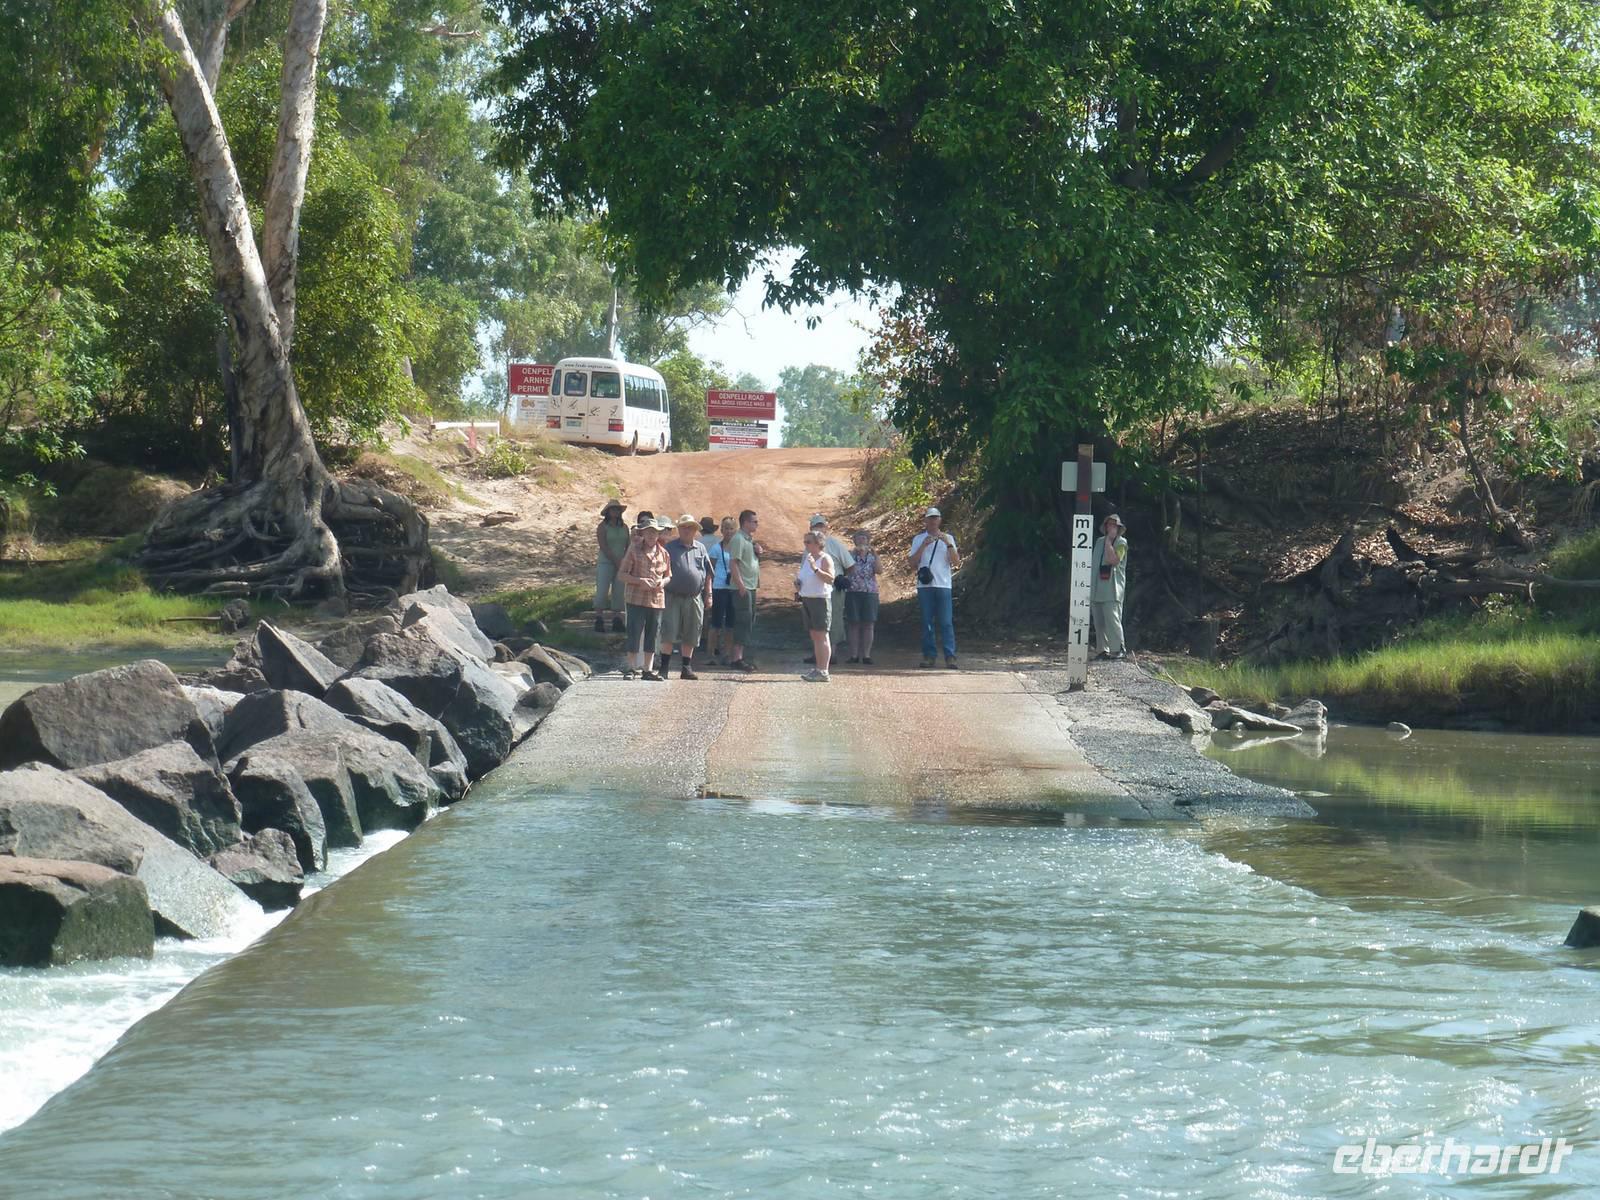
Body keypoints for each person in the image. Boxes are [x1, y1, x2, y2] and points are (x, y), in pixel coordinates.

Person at [657, 513, 714, 680]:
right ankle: (664, 668)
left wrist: (709, 594)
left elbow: (708, 573)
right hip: (672, 596)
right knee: (669, 630)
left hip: (694, 596)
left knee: (692, 631)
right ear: (679, 529)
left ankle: (686, 667)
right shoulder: (669, 548)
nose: (687, 530)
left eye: (690, 527)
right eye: (683, 527)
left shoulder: (701, 548)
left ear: (696, 530)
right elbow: (661, 572)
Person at [618, 515, 671, 680]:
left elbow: (669, 575)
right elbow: (622, 575)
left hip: (656, 600)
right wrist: (640, 581)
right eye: (649, 532)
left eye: (655, 533)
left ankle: (647, 670)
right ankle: (632, 668)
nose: (652, 536)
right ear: (643, 533)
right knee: (634, 632)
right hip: (635, 598)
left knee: (652, 634)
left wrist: (662, 582)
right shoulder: (633, 550)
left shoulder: (664, 553)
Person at [908, 506, 960, 669]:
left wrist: (948, 544)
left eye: (935, 518)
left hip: (943, 584)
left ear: (940, 520)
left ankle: (950, 656)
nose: (932, 521)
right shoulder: (918, 539)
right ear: (925, 521)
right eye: (930, 518)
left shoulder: (948, 538)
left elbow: (956, 562)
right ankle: (929, 655)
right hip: (925, 586)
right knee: (927, 622)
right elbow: (912, 562)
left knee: (946, 622)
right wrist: (923, 545)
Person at [804, 514, 854, 661]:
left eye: (821, 526)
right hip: (813, 590)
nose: (819, 529)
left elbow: (850, 565)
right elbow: (804, 567)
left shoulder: (834, 544)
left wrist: (842, 578)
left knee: (834, 619)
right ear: (811, 528)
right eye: (816, 526)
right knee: (815, 621)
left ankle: (831, 654)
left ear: (826, 527)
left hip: (832, 588)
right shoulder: (808, 546)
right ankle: (818, 654)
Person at [724, 509, 762, 673]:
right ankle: (736, 658)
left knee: (748, 621)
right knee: (742, 621)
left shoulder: (748, 539)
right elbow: (733, 563)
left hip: (750, 586)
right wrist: (740, 586)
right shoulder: (739, 539)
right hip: (743, 587)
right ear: (745, 522)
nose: (756, 524)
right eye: (754, 521)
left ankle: (739, 657)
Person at [795, 530, 835, 682]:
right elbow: (804, 578)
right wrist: (798, 584)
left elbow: (830, 579)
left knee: (822, 635)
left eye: (808, 542)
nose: (805, 545)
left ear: (818, 544)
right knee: (814, 635)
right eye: (804, 541)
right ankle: (819, 668)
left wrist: (815, 568)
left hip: (820, 600)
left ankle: (823, 671)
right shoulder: (807, 558)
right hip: (807, 599)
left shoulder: (825, 559)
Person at [1091, 512, 1130, 660]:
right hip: (1096, 588)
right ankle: (1102, 650)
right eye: (1109, 524)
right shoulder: (1099, 541)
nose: (1111, 527)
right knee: (1099, 621)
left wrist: (1109, 542)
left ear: (1119, 527)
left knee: (1112, 619)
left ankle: (1118, 648)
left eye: (1114, 525)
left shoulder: (1121, 543)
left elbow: (1113, 560)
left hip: (1112, 589)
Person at [843, 529, 880, 665]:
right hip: (853, 591)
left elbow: (879, 571)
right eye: (859, 538)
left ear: (868, 541)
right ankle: (853, 655)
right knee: (853, 623)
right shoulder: (849, 555)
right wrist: (854, 556)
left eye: (864, 538)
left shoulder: (872, 556)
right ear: (854, 541)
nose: (861, 541)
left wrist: (875, 555)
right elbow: (846, 571)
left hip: (870, 591)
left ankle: (866, 655)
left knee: (869, 624)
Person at [705, 516, 738, 663]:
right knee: (716, 623)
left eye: (731, 528)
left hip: (733, 588)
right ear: (722, 530)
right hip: (719, 588)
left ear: (735, 530)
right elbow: (710, 570)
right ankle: (711, 655)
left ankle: (728, 654)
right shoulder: (715, 548)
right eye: (726, 528)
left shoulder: (738, 547)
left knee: (731, 623)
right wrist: (709, 590)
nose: (729, 531)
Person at [594, 501, 630, 633]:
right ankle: (599, 618)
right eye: (613, 509)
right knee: (602, 590)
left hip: (622, 562)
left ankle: (617, 618)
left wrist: (625, 560)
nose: (615, 512)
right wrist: (616, 560)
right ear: (608, 512)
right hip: (606, 562)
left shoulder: (624, 527)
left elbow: (628, 545)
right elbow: (603, 546)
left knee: (619, 591)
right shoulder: (602, 527)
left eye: (617, 509)